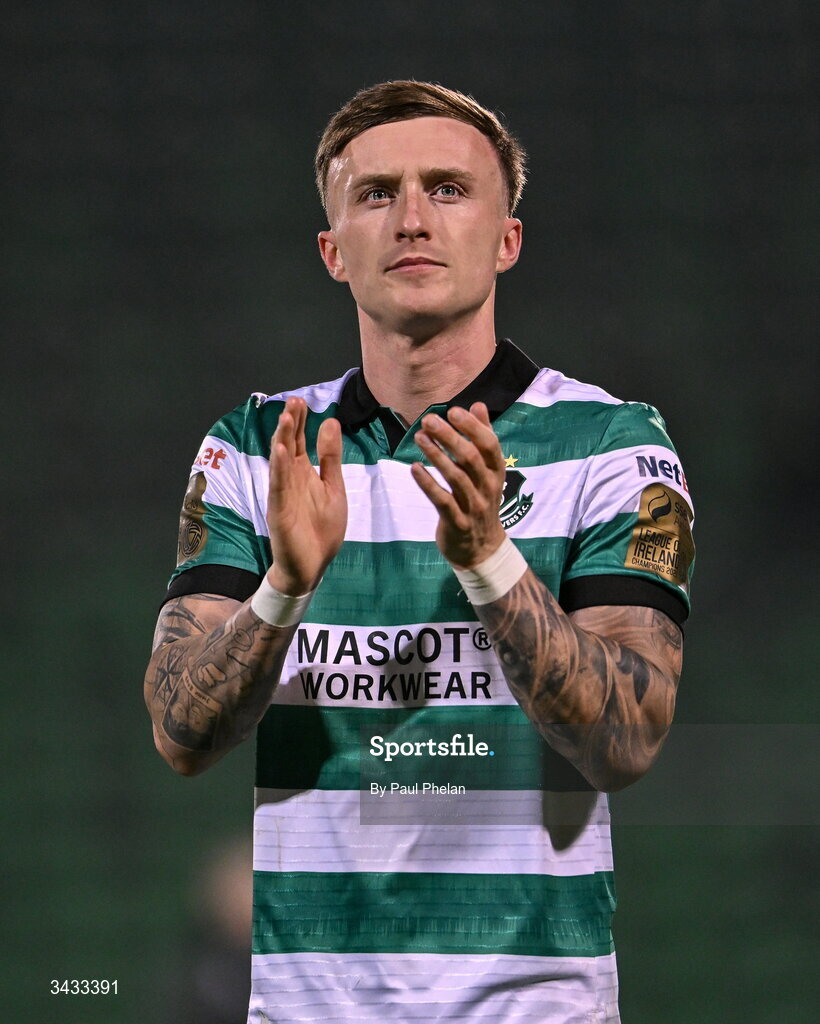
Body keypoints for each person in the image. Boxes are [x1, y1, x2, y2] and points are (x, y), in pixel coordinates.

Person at [144, 80, 695, 1024]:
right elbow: (180, 734)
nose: (410, 219)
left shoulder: (611, 446)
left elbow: (626, 739)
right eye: (374, 194)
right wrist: (284, 586)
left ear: (507, 238)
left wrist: (489, 559)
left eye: (447, 188)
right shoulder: (256, 447)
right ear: (332, 252)